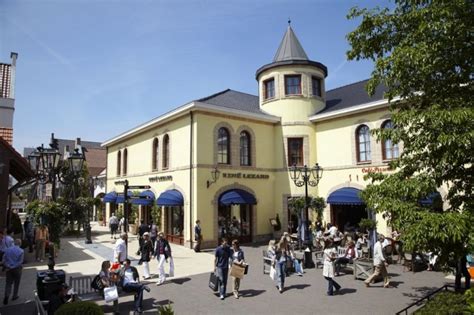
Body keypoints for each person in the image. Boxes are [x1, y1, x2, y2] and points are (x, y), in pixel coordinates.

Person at [2, 239, 24, 305]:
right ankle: (15, 295)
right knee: (17, 282)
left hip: (8, 268)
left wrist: (8, 265)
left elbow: (4, 260)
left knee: (8, 283)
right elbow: (20, 261)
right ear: (20, 244)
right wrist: (13, 266)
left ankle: (7, 295)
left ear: (14, 243)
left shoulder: (7, 250)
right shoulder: (21, 251)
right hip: (17, 268)